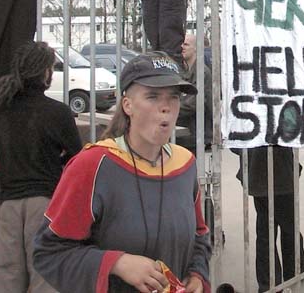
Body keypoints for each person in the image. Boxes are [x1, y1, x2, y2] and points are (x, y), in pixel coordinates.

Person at [33, 52, 211, 293]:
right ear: (127, 105)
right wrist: (116, 263)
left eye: (174, 97)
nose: (166, 108)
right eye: (152, 96)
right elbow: (49, 253)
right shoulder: (93, 164)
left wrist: (197, 275)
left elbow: (200, 236)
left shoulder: (185, 164)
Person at [0, 41, 83, 293]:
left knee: (3, 279)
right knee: (45, 278)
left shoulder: (1, 109)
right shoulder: (57, 112)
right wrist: (56, 160)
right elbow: (78, 160)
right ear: (45, 73)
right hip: (45, 204)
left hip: (8, 205)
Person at [234, 146, 304, 292]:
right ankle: (293, 271)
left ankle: (270, 283)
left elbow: (234, 142)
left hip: (256, 172)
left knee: (266, 230)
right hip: (280, 172)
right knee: (288, 225)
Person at [177, 33, 213, 154]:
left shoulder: (201, 72)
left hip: (197, 133)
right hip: (190, 131)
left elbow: (193, 104)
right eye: (181, 44)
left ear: (196, 48)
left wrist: (169, 109)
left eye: (186, 44)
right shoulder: (185, 70)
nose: (182, 47)